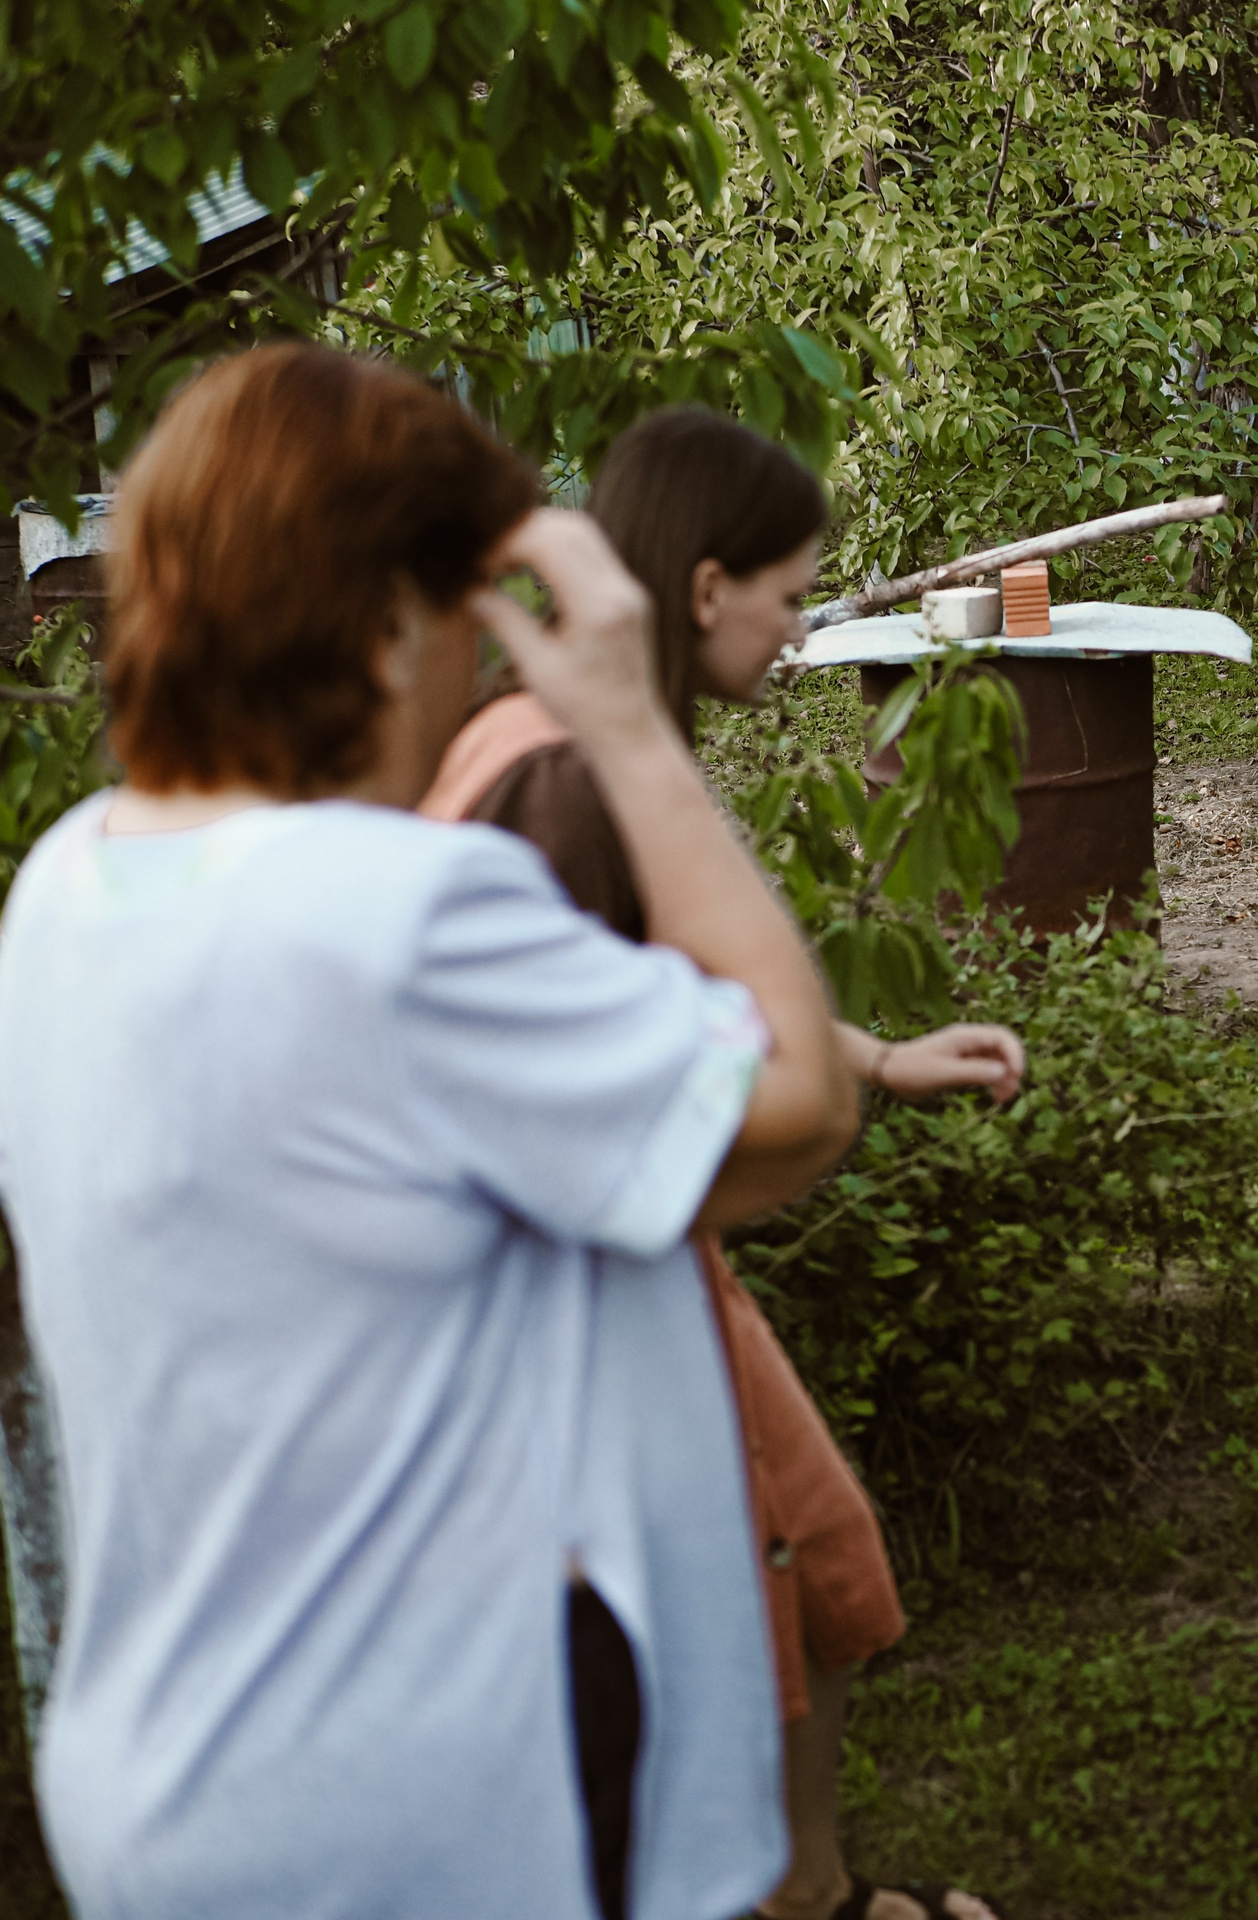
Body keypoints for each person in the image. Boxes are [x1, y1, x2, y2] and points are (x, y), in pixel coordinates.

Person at [0, 344, 866, 1919]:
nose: (480, 669)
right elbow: (798, 1102)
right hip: (427, 1800)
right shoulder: (396, 919)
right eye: (471, 616)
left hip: (167, 1776)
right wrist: (626, 725)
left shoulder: (68, 886)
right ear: (392, 621)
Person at [420, 405, 1014, 1920]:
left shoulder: (583, 742)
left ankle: (806, 1885)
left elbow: (669, 987)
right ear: (703, 589)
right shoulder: (564, 775)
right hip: (586, 1279)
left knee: (817, 1567)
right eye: (792, 594)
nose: (801, 628)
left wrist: (876, 1055)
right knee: (776, 1570)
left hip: (638, 1257)